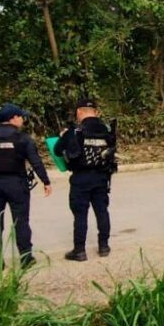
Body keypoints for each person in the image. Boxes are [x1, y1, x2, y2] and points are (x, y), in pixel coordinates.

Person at [0, 103, 52, 270]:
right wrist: (45, 181)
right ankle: (26, 258)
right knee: (21, 222)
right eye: (21, 116)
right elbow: (35, 161)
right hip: (16, 183)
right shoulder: (22, 138)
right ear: (13, 118)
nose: (22, 119)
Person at [53, 98, 116, 261]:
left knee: (80, 215)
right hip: (102, 177)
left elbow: (58, 151)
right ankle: (104, 246)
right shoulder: (107, 129)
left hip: (81, 178)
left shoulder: (74, 131)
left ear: (79, 112)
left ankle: (79, 250)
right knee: (102, 211)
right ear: (95, 112)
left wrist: (63, 137)